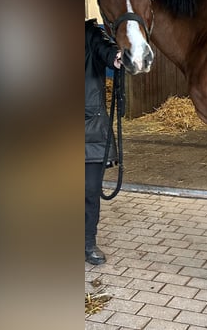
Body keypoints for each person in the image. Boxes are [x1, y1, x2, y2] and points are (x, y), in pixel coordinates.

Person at [85, 19, 122, 265]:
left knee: (89, 190)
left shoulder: (90, 33)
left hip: (90, 128)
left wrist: (117, 56)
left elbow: (105, 49)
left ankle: (87, 242)